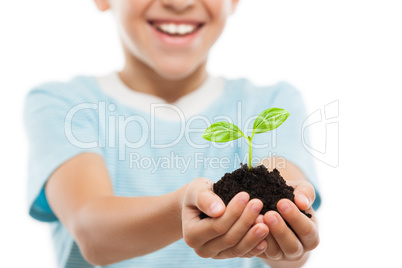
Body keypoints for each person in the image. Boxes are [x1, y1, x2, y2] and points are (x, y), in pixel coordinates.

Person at [24, 0, 321, 267]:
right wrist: (180, 209)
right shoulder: (64, 104)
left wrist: (290, 230)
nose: (179, 3)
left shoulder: (269, 103)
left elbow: (291, 243)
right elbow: (92, 232)